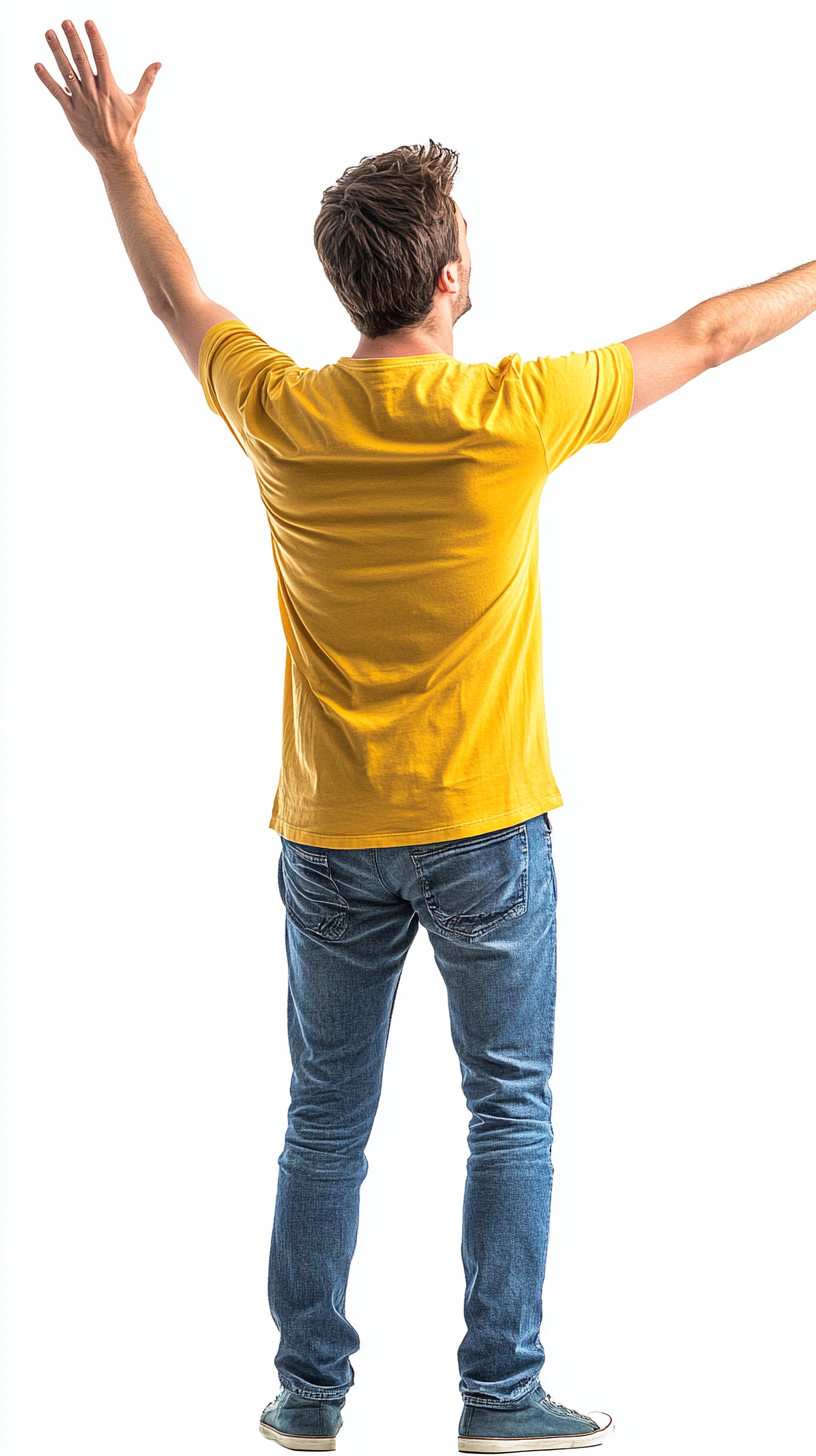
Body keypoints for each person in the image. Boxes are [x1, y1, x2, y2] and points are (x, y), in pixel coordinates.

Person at [35, 20, 816, 1455]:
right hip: (486, 835)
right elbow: (713, 334)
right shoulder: (511, 415)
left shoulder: (285, 412)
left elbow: (172, 295)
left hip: (328, 839)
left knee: (324, 1115)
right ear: (450, 278)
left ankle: (309, 1397)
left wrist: (115, 155)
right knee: (509, 1106)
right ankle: (498, 1394)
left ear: (351, 285)